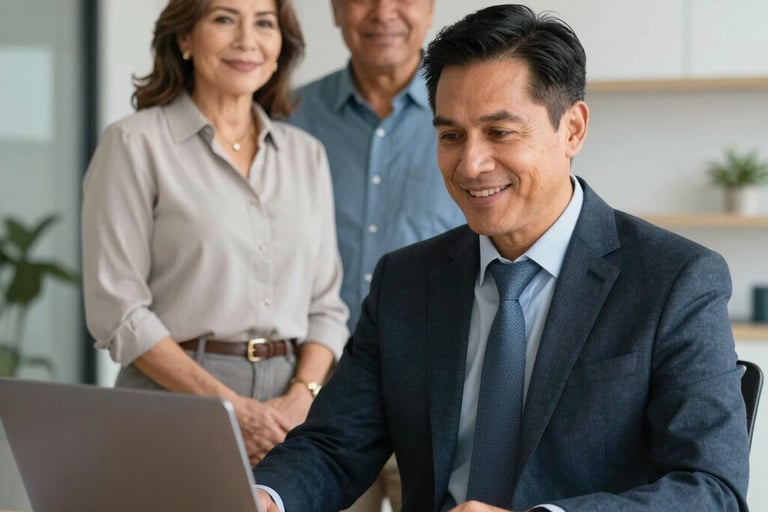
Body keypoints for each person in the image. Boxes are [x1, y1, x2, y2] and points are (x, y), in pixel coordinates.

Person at [252, 4, 750, 512]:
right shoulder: (406, 280)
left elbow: (710, 489)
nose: (470, 164)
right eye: (450, 136)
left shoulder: (676, 280)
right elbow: (334, 447)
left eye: (500, 133)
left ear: (573, 128)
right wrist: (264, 497)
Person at [81, 0, 349, 467]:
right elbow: (118, 311)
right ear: (184, 37)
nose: (247, 40)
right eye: (224, 18)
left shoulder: (307, 155)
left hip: (291, 412)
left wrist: (302, 397)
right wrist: (230, 409)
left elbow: (326, 305)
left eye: (264, 23)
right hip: (175, 397)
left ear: (280, 45)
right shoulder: (134, 144)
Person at [286, 1, 464, 510]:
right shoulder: (287, 117)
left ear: (429, 10)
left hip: (437, 391)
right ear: (337, 12)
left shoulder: (463, 120)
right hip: (321, 399)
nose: (383, 12)